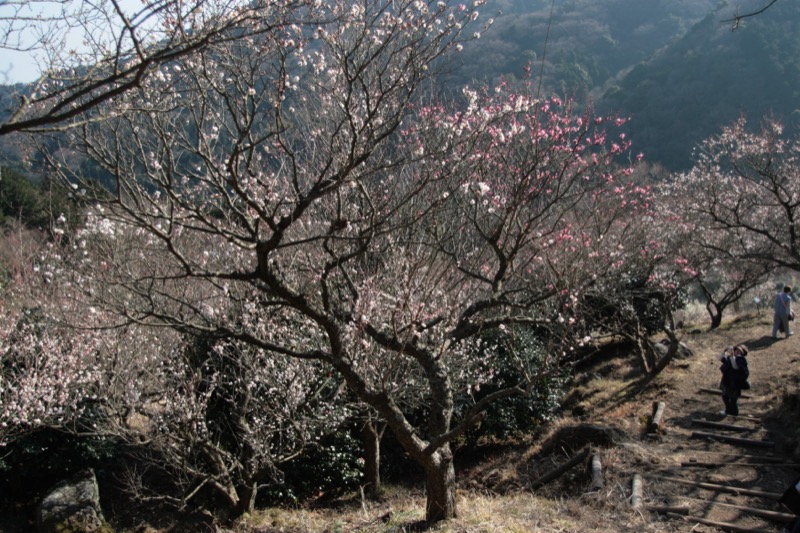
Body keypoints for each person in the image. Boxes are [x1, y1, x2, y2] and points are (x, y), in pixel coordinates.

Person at [718, 344, 749, 416]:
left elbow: (735, 367)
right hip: (727, 381)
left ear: (742, 353)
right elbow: (721, 358)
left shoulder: (741, 360)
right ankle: (728, 411)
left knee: (733, 400)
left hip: (735, 383)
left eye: (739, 351)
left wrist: (732, 356)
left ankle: (734, 414)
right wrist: (725, 351)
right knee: (725, 397)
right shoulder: (731, 358)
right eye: (736, 350)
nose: (737, 352)